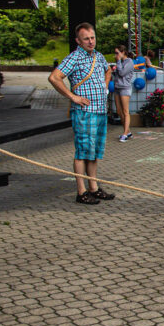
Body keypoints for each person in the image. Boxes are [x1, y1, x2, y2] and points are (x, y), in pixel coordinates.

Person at [49, 23, 115, 205]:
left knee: (93, 152)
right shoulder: (75, 58)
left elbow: (108, 70)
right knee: (82, 151)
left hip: (100, 111)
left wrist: (104, 85)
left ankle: (93, 187)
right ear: (78, 41)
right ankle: (81, 191)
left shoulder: (99, 56)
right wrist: (73, 96)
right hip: (84, 112)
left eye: (92, 37)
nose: (90, 41)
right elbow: (54, 77)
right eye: (86, 38)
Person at [112, 45, 135, 142]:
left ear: (123, 53)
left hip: (125, 88)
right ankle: (128, 131)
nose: (116, 55)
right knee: (119, 110)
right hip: (117, 87)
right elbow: (118, 73)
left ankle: (125, 133)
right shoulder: (120, 62)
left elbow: (122, 73)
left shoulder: (129, 62)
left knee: (125, 111)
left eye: (117, 53)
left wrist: (118, 62)